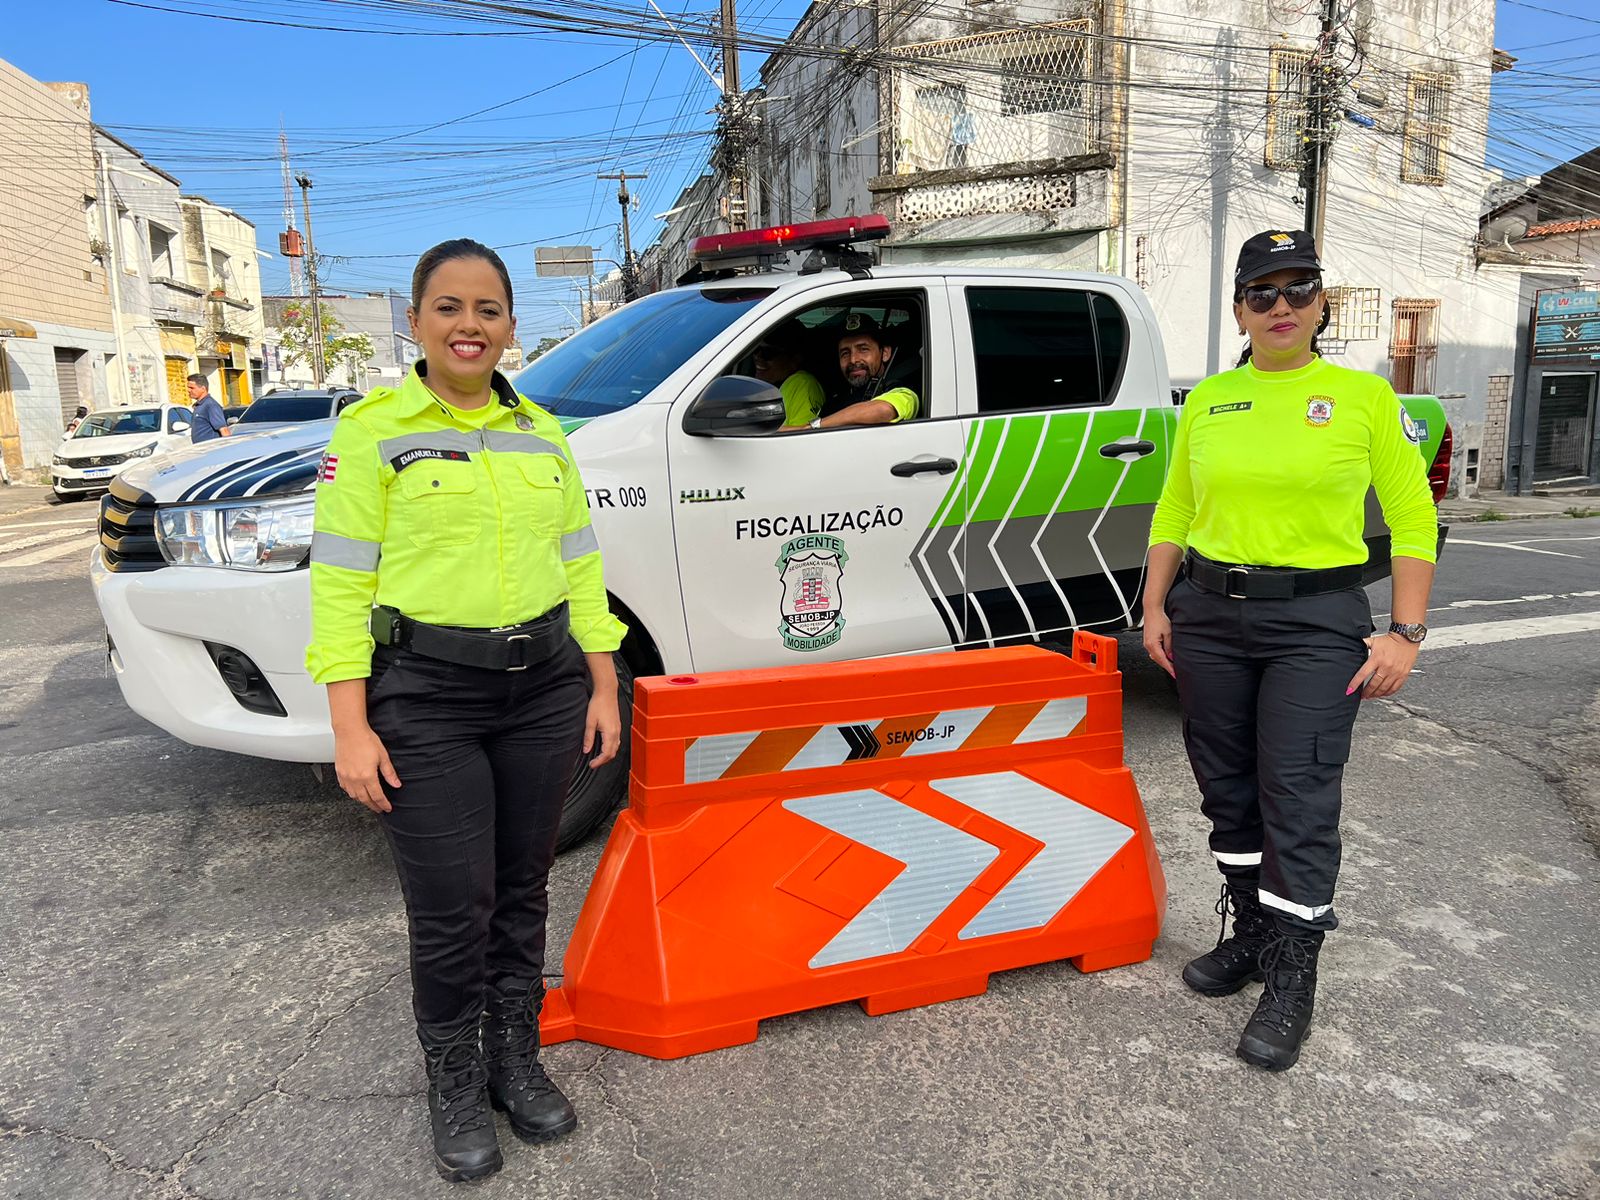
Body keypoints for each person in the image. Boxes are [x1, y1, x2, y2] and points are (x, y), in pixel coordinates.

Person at [305, 238, 625, 1182]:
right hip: (427, 698)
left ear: (511, 328)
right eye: (449, 307)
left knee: (524, 889)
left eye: (488, 309)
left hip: (543, 688)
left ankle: (513, 1063)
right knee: (453, 905)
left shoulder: (543, 434)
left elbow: (582, 568)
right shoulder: (370, 432)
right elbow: (338, 587)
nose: (469, 325)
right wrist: (349, 724)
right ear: (416, 322)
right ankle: (451, 1080)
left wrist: (602, 684)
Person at [1141, 229, 1437, 1073]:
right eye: (1261, 292)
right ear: (1238, 309)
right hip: (1208, 616)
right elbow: (1174, 509)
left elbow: (1411, 518)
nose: (1280, 306)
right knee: (1227, 789)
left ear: (1321, 305)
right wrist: (1156, 605)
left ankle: (1293, 973)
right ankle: (1252, 932)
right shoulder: (1207, 400)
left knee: (1297, 793)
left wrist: (1405, 633)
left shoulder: (1364, 399)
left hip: (1316, 624)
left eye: (1297, 289)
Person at [781, 313, 919, 430]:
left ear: (885, 353)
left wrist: (812, 427)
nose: (853, 359)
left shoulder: (902, 391)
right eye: (845, 353)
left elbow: (883, 411)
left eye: (863, 349)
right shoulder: (834, 401)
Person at [751, 321, 825, 428]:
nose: (758, 357)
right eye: (755, 349)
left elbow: (803, 435)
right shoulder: (767, 387)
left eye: (768, 352)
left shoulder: (802, 384)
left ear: (795, 359)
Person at [185, 375, 230, 443]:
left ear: (203, 389)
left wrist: (228, 449)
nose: (188, 390)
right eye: (188, 388)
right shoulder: (200, 405)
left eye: (192, 388)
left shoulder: (211, 405)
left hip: (212, 449)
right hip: (201, 449)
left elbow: (224, 430)